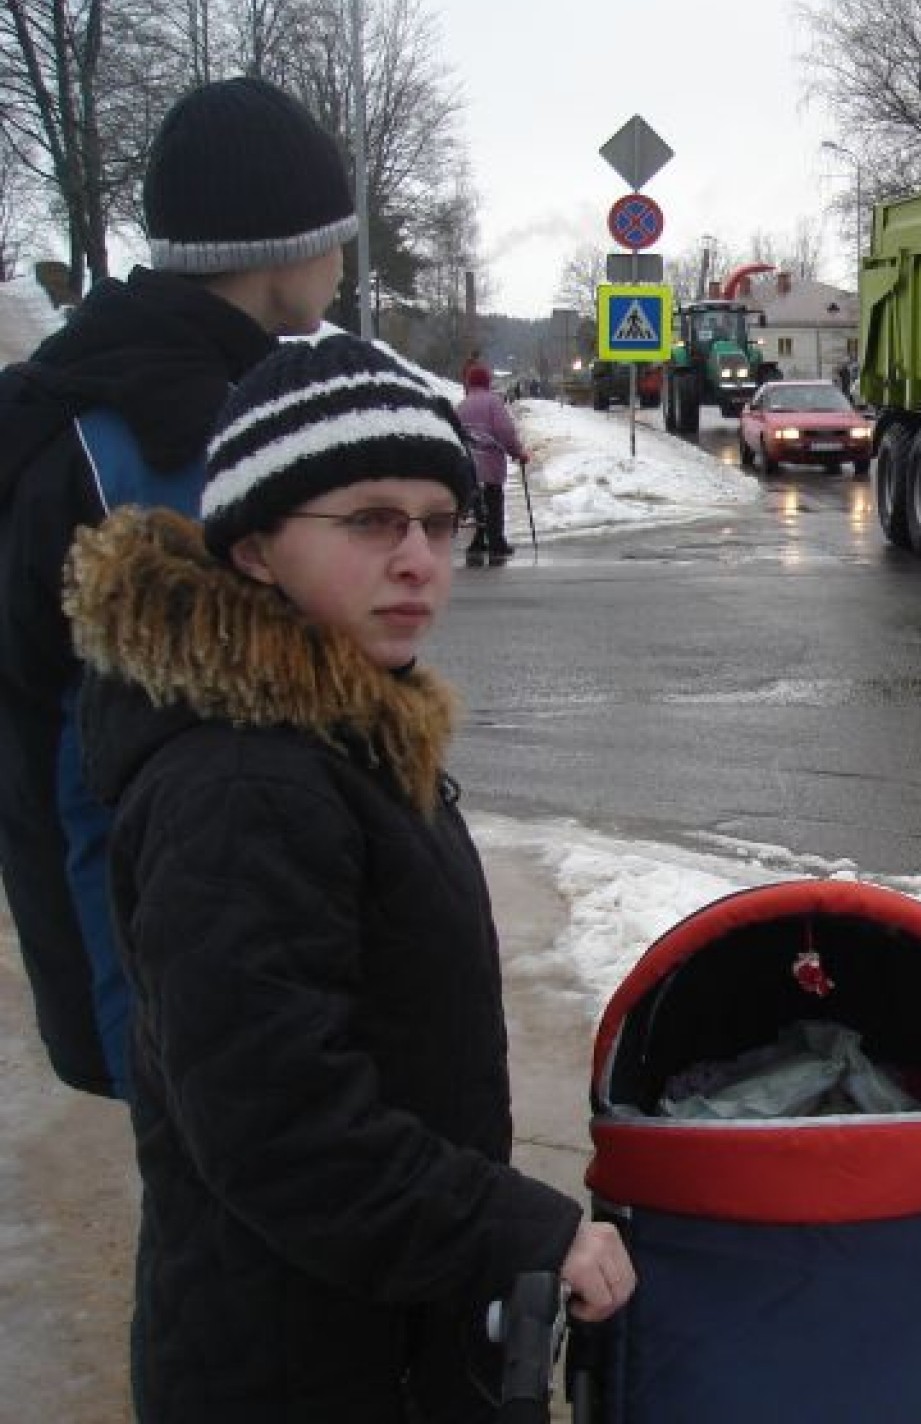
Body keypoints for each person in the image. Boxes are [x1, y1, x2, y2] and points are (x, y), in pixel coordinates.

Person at [62, 333, 635, 1420]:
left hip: (383, 1330)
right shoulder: (242, 784)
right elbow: (282, 1129)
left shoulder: (340, 735)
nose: (418, 556)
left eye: (437, 519)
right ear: (254, 548)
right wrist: (520, 1228)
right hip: (299, 1364)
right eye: (370, 520)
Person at [0, 74, 358, 1100]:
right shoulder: (171, 443)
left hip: (133, 943)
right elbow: (209, 760)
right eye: (332, 232)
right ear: (278, 247)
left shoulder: (102, 395)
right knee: (233, 1226)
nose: (340, 257)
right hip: (178, 960)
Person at [457, 360, 530, 565]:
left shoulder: (461, 406)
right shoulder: (493, 402)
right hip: (490, 464)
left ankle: (477, 541)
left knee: (475, 504)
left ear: (469, 383)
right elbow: (505, 432)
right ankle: (497, 542)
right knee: (493, 501)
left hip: (469, 466)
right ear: (488, 382)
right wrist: (518, 452)